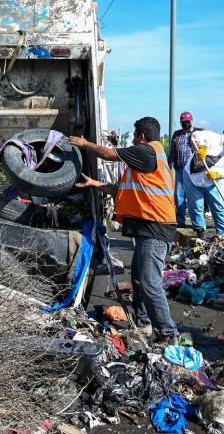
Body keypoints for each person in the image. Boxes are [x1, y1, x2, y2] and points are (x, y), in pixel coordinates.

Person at [70, 117, 179, 345]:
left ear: (140, 136)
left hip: (156, 230)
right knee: (139, 281)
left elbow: (109, 154)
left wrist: (84, 144)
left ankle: (169, 334)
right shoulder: (146, 160)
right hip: (148, 230)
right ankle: (143, 323)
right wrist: (94, 184)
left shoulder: (147, 152)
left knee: (149, 282)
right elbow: (121, 190)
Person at [185, 128, 224, 238]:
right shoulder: (212, 137)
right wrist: (201, 147)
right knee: (196, 205)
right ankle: (200, 233)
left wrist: (219, 175)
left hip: (211, 180)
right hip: (192, 176)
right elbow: (195, 135)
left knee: (218, 205)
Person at [167, 111, 203, 227]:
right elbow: (172, 150)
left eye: (188, 122)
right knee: (179, 195)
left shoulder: (199, 133)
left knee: (194, 196)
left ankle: (197, 224)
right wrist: (169, 164)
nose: (186, 124)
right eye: (183, 122)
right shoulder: (177, 134)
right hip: (180, 168)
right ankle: (180, 221)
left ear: (192, 121)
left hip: (194, 170)